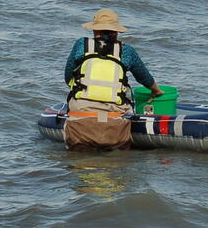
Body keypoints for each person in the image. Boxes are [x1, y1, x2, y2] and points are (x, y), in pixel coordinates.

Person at [62, 8, 162, 151]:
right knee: (115, 166)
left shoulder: (81, 46)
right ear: (116, 32)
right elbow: (144, 78)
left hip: (80, 123)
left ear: (95, 31)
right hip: (115, 127)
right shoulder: (127, 52)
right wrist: (156, 91)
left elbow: (68, 77)